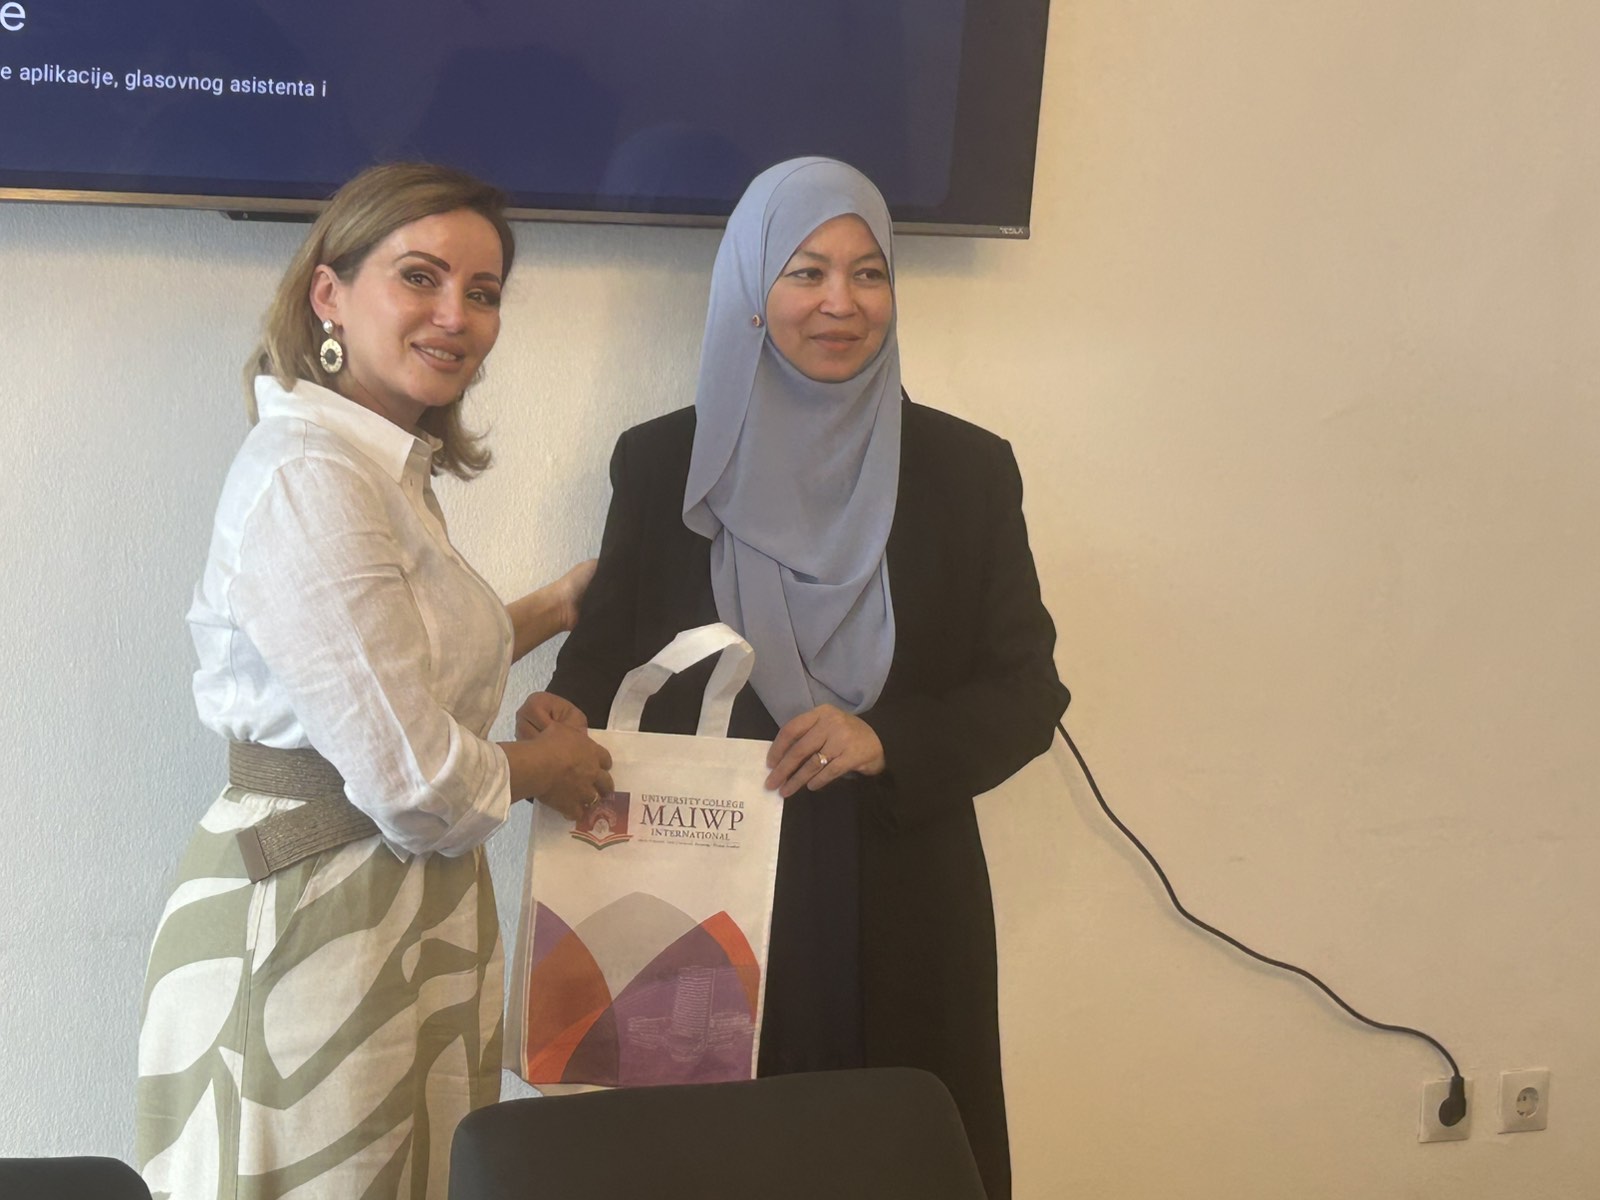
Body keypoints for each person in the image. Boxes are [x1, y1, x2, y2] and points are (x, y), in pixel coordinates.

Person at [540, 157, 1069, 1200]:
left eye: (869, 273)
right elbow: (600, 666)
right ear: (751, 289)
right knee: (705, 1168)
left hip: (899, 892)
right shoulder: (664, 463)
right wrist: (558, 723)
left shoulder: (964, 471)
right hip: (700, 893)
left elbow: (1027, 690)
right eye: (806, 271)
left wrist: (887, 736)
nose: (841, 302)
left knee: (897, 1162)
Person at [135, 162, 613, 1200]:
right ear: (330, 293)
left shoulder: (375, 469)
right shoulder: (311, 475)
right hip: (318, 913)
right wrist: (551, 766)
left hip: (393, 907)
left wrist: (554, 607)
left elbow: (389, 672)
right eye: (420, 277)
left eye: (482, 292)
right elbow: (416, 781)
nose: (456, 316)